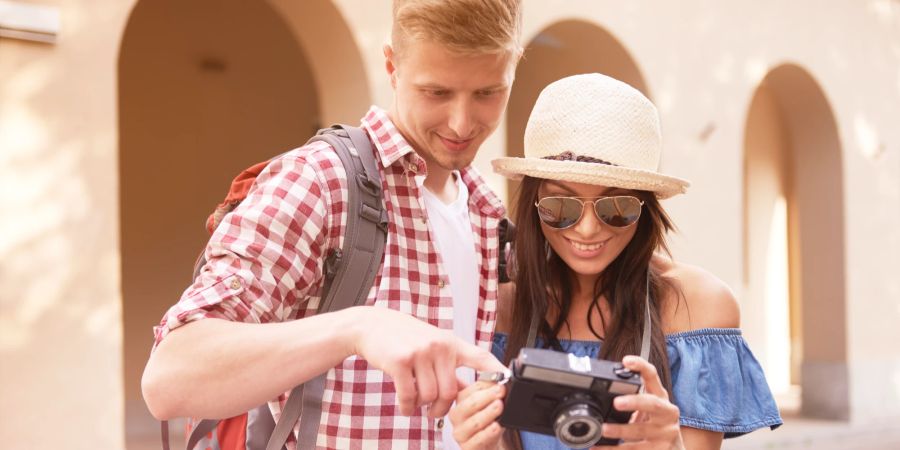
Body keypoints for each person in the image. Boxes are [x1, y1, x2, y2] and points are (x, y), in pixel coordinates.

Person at [141, 1, 523, 448]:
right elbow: (168, 379)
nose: (462, 122)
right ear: (392, 66)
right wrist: (357, 329)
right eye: (437, 93)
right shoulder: (319, 181)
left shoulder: (487, 212)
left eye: (487, 93)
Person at [448, 73, 783, 449]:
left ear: (646, 207)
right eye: (561, 206)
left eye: (617, 207)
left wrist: (670, 446)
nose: (588, 229)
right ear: (533, 204)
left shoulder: (698, 306)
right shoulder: (500, 302)